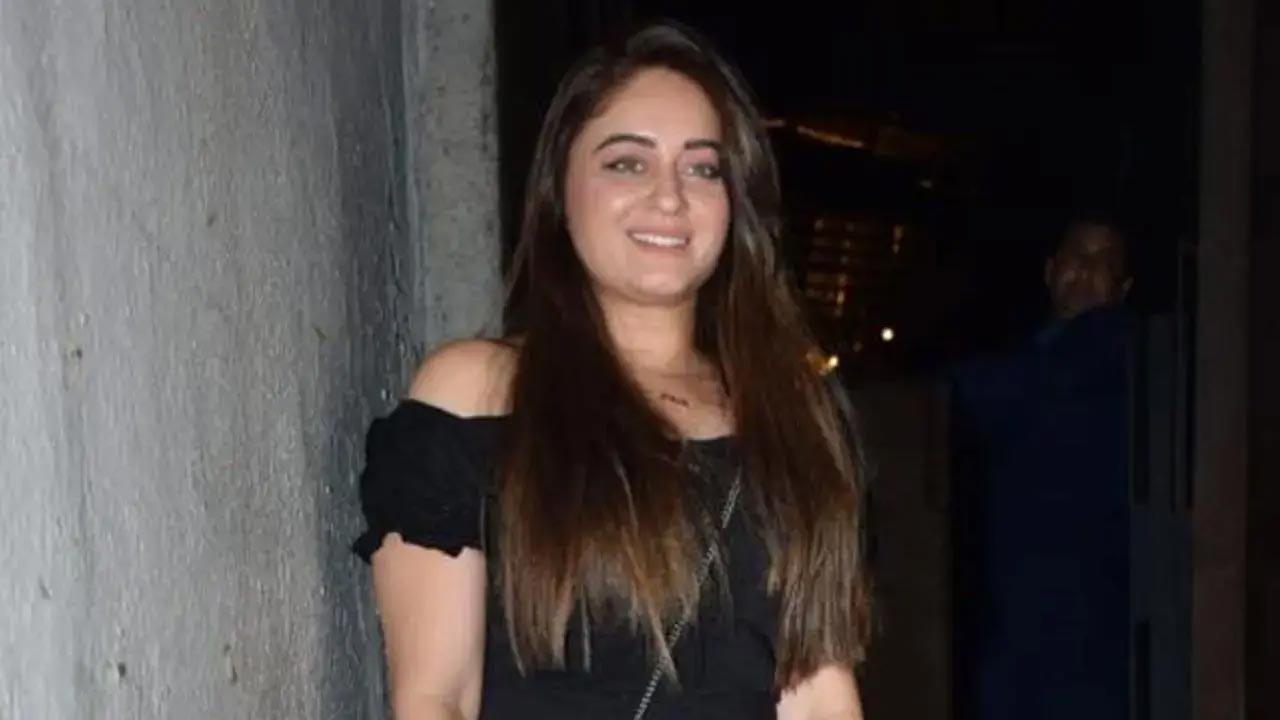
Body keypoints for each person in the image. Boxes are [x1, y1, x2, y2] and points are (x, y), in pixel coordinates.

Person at [352, 21, 871, 720]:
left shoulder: (791, 413)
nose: (669, 196)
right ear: (559, 193)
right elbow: (435, 699)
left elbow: (819, 697)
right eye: (627, 163)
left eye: (703, 168)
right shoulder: (480, 395)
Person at [951, 217, 1135, 720]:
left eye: (1104, 262)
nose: (1086, 270)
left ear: (1123, 288)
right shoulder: (1035, 354)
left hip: (1091, 625)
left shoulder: (1117, 352)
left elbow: (980, 395)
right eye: (1078, 256)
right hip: (1017, 618)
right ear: (1050, 269)